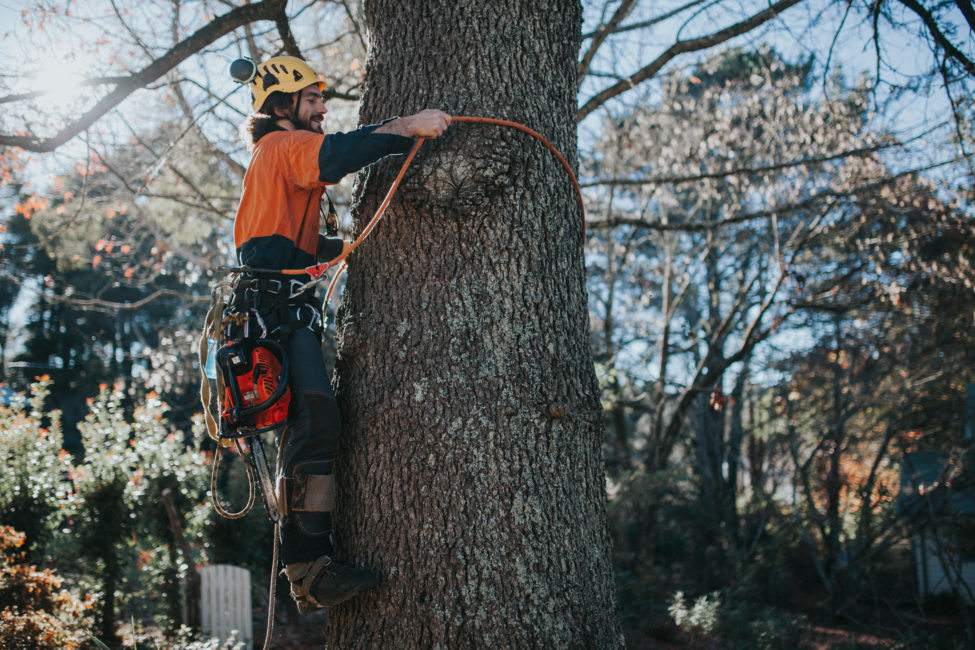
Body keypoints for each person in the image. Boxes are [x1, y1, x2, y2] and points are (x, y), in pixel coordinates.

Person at [230, 55, 450, 613]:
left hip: (280, 306)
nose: (322, 109)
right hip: (274, 309)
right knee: (315, 420)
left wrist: (354, 249)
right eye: (311, 100)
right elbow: (338, 155)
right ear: (281, 107)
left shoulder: (275, 157)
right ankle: (307, 569)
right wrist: (405, 129)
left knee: (316, 421)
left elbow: (291, 244)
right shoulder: (282, 147)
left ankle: (309, 567)